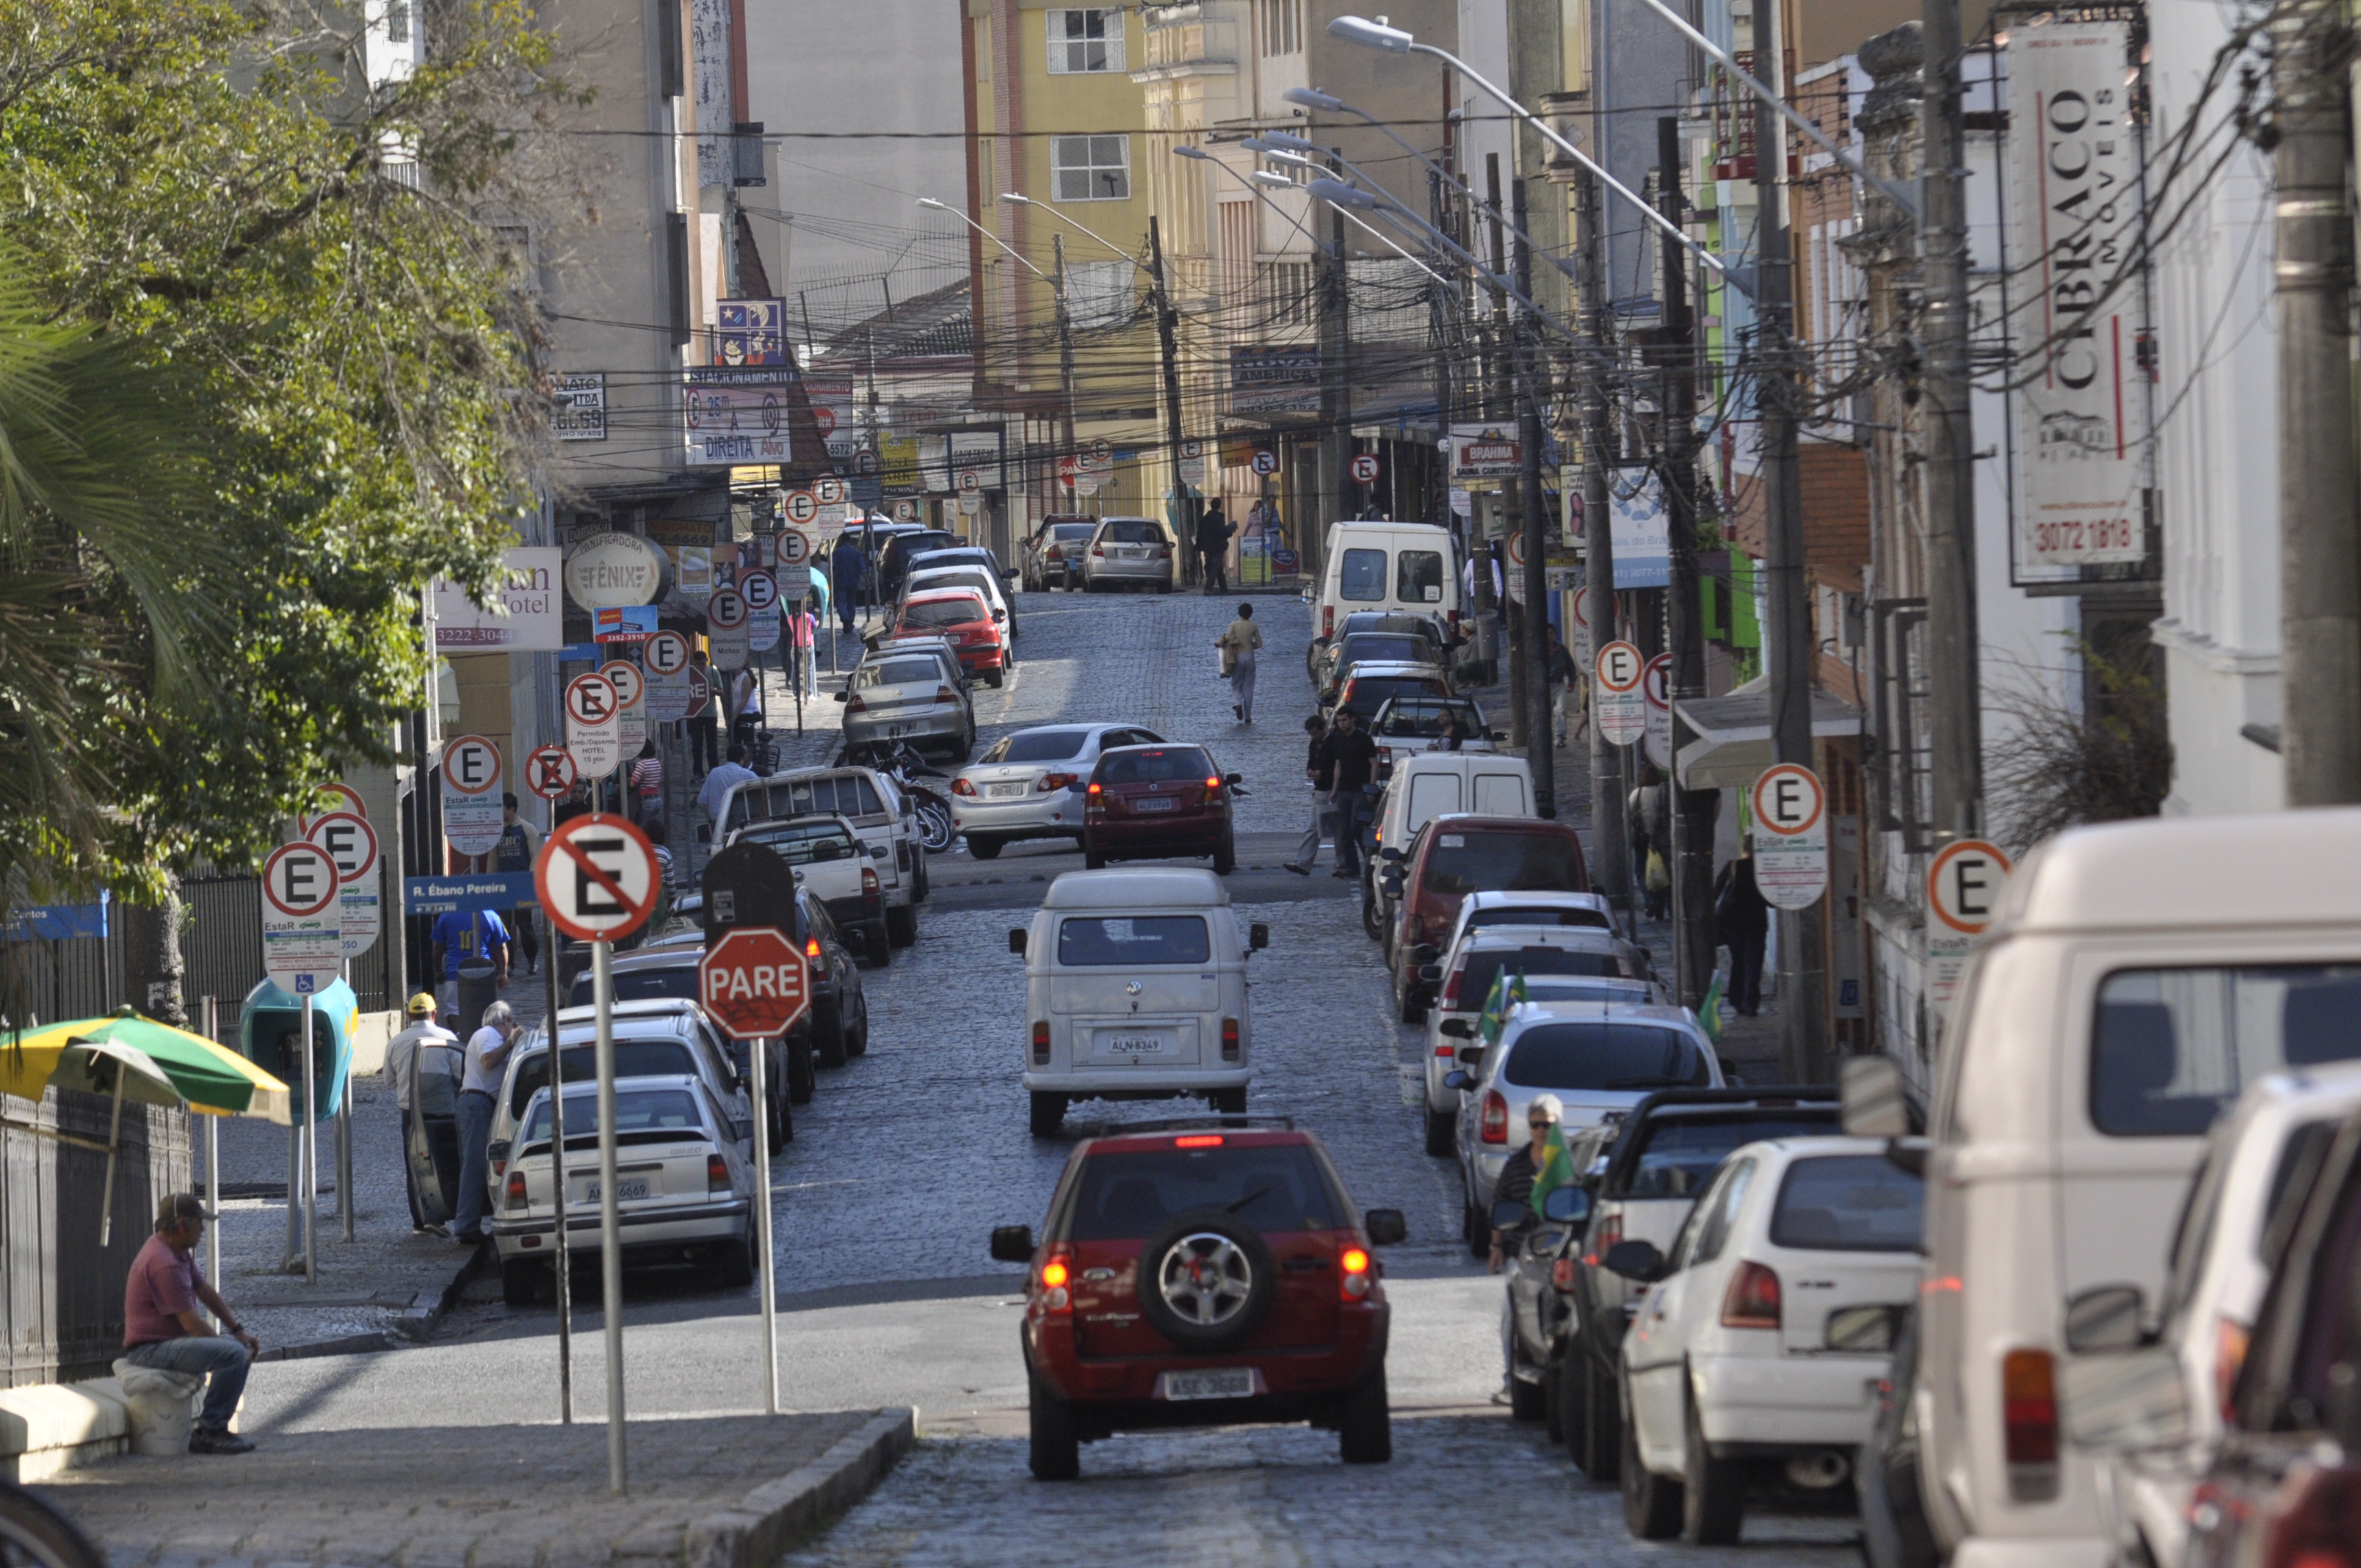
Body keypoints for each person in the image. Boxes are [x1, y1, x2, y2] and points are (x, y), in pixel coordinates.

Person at [122, 1194, 260, 1453]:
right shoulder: (164, 1262)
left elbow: (205, 1291)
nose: (203, 1229)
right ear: (183, 1225)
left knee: (234, 1352)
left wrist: (238, 1331)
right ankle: (211, 1430)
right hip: (150, 1350)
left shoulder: (177, 1253)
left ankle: (214, 1426)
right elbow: (192, 1325)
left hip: (163, 1344)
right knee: (233, 1355)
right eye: (199, 1222)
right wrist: (231, 1351)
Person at [384, 992, 460, 1231]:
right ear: (434, 1014)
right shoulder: (447, 1038)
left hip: (410, 1114)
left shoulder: (396, 1042)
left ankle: (420, 1219)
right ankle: (448, 1211)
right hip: (444, 1113)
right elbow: (461, 1075)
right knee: (448, 1163)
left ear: (409, 1016)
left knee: (415, 1166)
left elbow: (389, 1080)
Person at [451, 1001, 523, 1245]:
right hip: (476, 1103)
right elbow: (488, 1061)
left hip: (484, 1105)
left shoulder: (497, 1039)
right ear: (502, 1021)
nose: (513, 1026)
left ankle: (472, 1220)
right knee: (474, 1165)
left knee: (479, 1164)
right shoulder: (487, 1034)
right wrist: (512, 1041)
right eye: (511, 1021)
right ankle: (466, 1224)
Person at [1488, 1094, 1562, 1273]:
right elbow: (1500, 1205)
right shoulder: (1515, 1164)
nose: (1540, 1130)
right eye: (1534, 1125)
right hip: (1520, 1252)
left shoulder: (1568, 1164)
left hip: (1558, 1253)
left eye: (1546, 1125)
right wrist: (1496, 1247)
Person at [1715, 841, 1772, 1017]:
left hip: (1733, 923)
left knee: (1738, 962)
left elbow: (1716, 890)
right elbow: (1771, 901)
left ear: (1743, 849)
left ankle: (1736, 998)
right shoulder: (1762, 870)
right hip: (1755, 923)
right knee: (1753, 964)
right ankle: (1750, 1003)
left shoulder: (1733, 866)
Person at [1321, 706, 1379, 879]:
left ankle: (1370, 861)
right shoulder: (1337, 740)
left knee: (1357, 827)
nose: (1342, 724)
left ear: (1352, 719)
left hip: (1360, 789)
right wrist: (1334, 789)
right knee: (1344, 830)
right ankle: (1351, 867)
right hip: (1344, 790)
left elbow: (1374, 764)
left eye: (1345, 720)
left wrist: (1371, 787)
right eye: (1339, 721)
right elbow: (1338, 765)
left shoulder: (1364, 739)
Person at [428, 906, 509, 1022]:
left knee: (453, 1011)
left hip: (454, 971)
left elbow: (438, 947)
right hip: (484, 971)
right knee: (486, 1012)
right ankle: (479, 1037)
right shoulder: (491, 915)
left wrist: (438, 970)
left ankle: (460, 1036)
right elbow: (502, 947)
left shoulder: (447, 915)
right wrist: (503, 973)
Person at [493, 794, 539, 975]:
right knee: (503, 925)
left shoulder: (527, 829)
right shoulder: (497, 831)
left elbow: (535, 855)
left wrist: (530, 879)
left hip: (521, 884)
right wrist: (491, 880)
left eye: (502, 808)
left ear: (511, 809)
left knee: (524, 924)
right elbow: (493, 858)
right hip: (503, 884)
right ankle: (508, 963)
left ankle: (532, 960)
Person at [1283, 714, 1332, 876]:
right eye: (1311, 734)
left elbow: (1339, 767)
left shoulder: (1334, 742)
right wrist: (1310, 772)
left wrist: (1323, 774)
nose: (1314, 737)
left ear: (1323, 729)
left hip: (1334, 789)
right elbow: (1311, 763)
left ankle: (1346, 863)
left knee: (1341, 830)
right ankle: (1303, 863)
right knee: (1313, 827)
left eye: (1316, 733)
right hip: (1320, 790)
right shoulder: (1314, 744)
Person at [1215, 603, 1261, 724]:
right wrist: (1250, 645)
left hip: (1237, 657)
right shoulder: (1254, 626)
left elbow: (1228, 637)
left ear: (1239, 613)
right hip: (1250, 657)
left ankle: (1238, 703)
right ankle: (1248, 717)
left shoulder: (1234, 625)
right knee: (1249, 687)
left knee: (1236, 684)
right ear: (1250, 614)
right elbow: (1259, 644)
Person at [697, 741, 758, 832]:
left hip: (718, 822)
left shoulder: (714, 772)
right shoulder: (748, 775)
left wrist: (711, 820)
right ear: (742, 758)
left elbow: (702, 801)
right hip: (742, 823)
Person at [1545, 627, 1580, 748]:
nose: (1549, 636)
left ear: (1555, 634)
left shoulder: (1561, 649)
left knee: (1560, 710)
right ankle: (1546, 738)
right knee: (1545, 713)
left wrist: (1572, 681)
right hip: (1544, 686)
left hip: (1559, 684)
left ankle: (1559, 737)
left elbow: (1570, 665)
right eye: (1547, 634)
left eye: (1551, 633)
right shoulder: (1539, 650)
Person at [687, 651, 721, 775]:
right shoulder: (690, 674)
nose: (700, 667)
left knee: (712, 745)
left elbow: (722, 691)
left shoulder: (713, 672)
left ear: (706, 661)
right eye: (697, 664)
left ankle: (714, 771)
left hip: (711, 714)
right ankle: (698, 772)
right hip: (695, 715)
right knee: (696, 746)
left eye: (702, 664)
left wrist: (711, 690)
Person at [831, 534, 868, 635]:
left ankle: (845, 618)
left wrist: (832, 582)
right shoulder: (856, 553)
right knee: (851, 604)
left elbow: (833, 568)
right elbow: (862, 568)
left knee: (841, 603)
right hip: (853, 582)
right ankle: (849, 623)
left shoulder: (837, 553)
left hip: (841, 582)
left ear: (841, 541)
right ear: (850, 540)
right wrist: (867, 580)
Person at [1197, 502, 1236, 593]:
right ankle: (1208, 589)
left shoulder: (1204, 519)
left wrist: (1199, 546)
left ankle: (1224, 590)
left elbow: (1200, 533)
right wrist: (1230, 531)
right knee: (1214, 567)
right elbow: (1221, 532)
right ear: (1219, 506)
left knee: (1218, 568)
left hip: (1207, 547)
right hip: (1217, 547)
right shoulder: (1219, 518)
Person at [627, 740, 664, 827]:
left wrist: (629, 780)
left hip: (647, 801)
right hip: (658, 799)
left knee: (642, 828)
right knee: (652, 828)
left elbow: (633, 784)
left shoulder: (641, 765)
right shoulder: (656, 762)